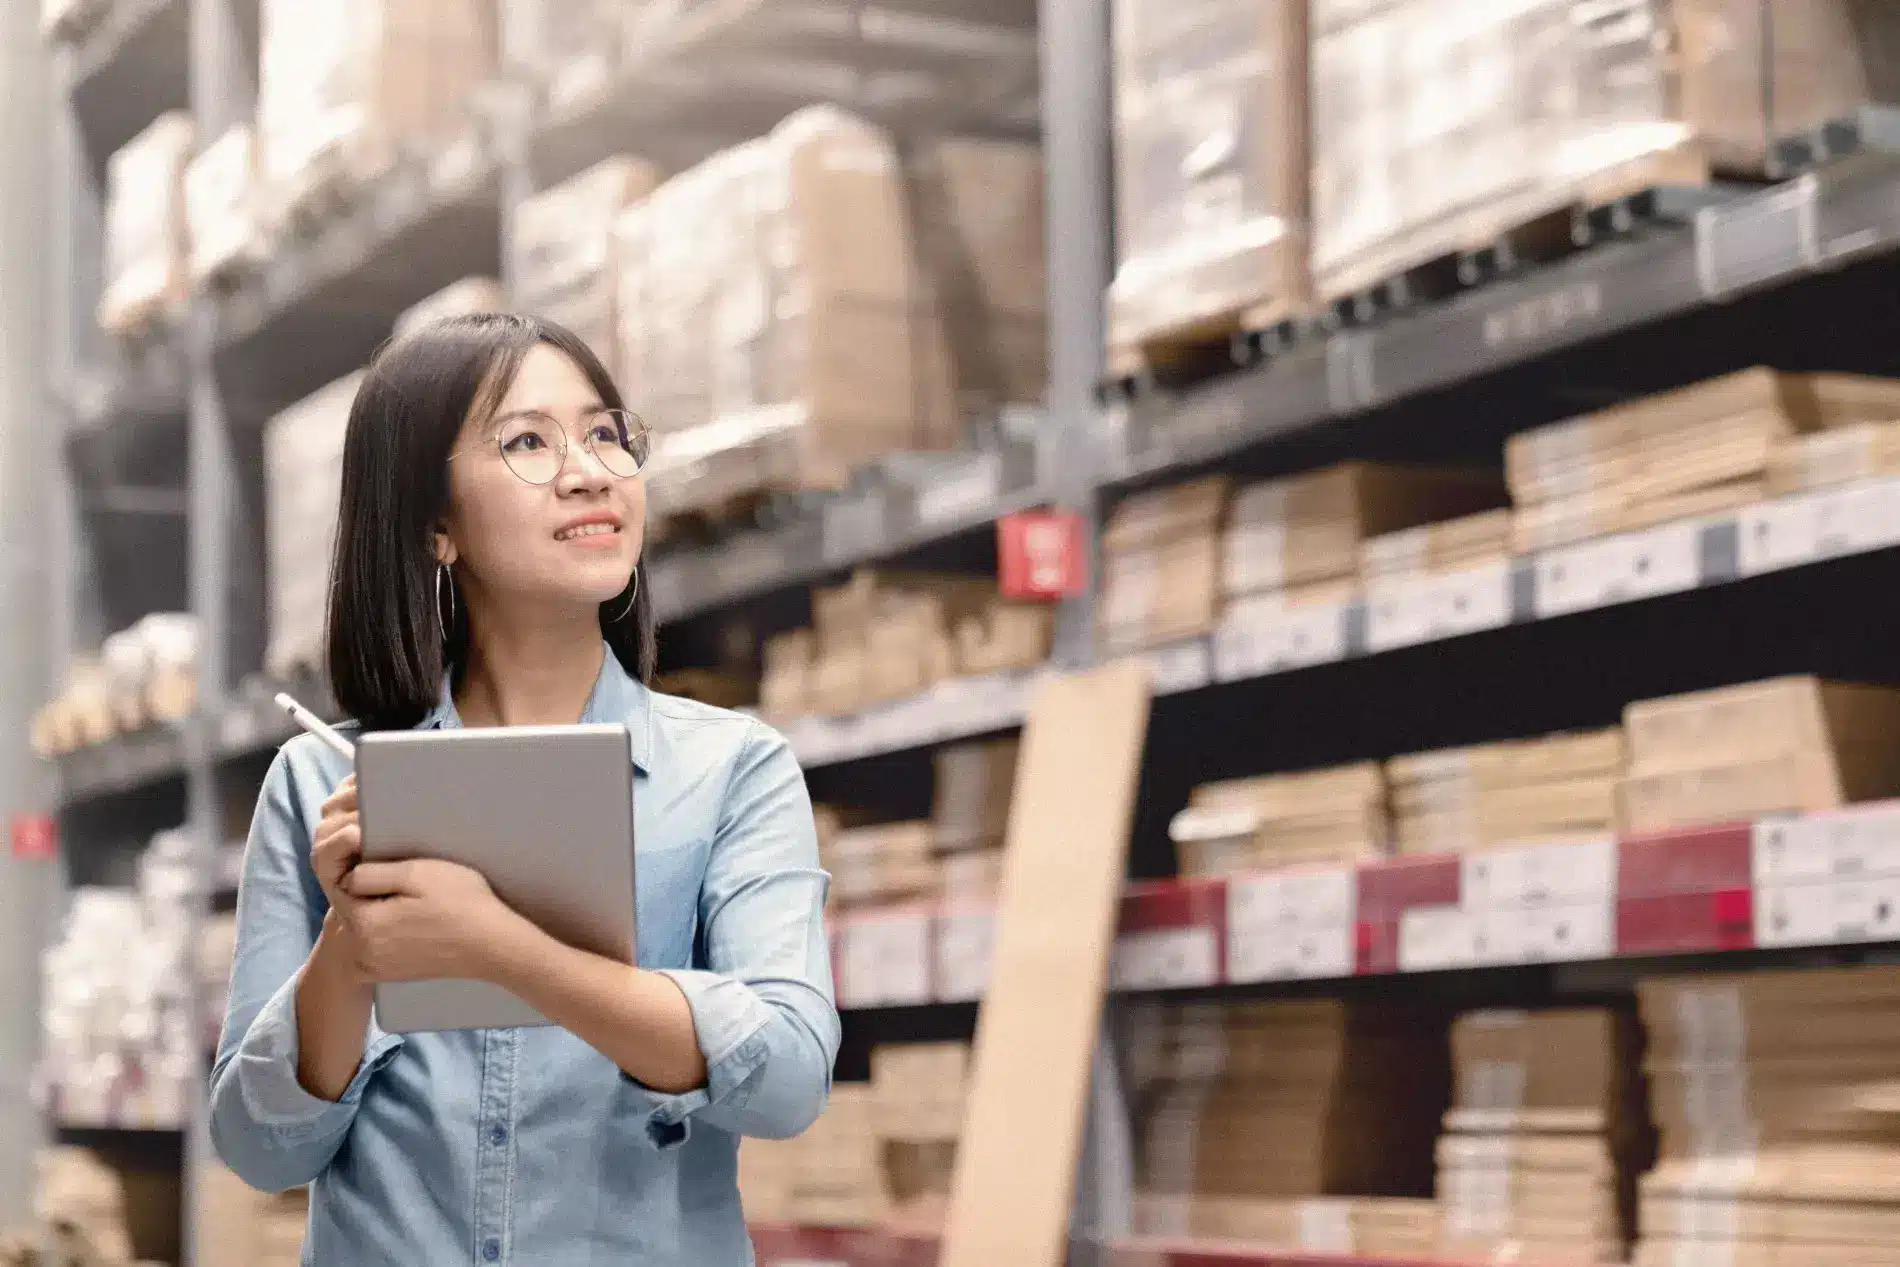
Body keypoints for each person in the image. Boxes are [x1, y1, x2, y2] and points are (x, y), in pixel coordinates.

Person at [209, 314, 840, 1264]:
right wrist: (354, 936)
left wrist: (495, 944)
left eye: (603, 434)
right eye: (528, 442)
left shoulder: (730, 773)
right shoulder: (319, 783)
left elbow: (789, 1077)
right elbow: (259, 1147)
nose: (588, 470)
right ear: (435, 525)